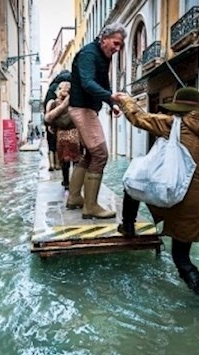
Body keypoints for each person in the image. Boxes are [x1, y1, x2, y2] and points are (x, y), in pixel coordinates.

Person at [111, 87, 199, 297]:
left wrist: (124, 99)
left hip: (169, 193)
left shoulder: (173, 124)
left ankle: (128, 226)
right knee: (182, 259)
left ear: (178, 108)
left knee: (132, 185)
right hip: (195, 204)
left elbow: (139, 118)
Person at [68, 23, 126, 219]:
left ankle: (75, 198)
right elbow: (87, 82)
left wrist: (111, 104)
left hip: (86, 108)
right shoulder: (89, 54)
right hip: (82, 109)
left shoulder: (102, 56)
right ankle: (90, 206)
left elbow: (103, 83)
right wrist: (110, 98)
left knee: (89, 155)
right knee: (100, 154)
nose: (117, 49)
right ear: (104, 38)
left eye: (120, 45)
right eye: (116, 43)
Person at [44, 80, 82, 193]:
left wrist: (51, 127)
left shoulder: (53, 103)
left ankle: (66, 182)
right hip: (75, 133)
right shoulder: (75, 101)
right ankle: (74, 182)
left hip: (61, 134)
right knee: (76, 160)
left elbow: (48, 119)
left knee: (64, 160)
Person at [44, 70, 72, 171]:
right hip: (70, 123)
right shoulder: (71, 85)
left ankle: (52, 164)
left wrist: (47, 123)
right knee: (66, 147)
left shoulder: (52, 88)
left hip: (54, 121)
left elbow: (47, 104)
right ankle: (60, 165)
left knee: (52, 144)